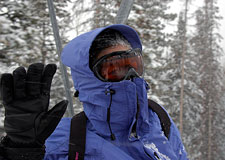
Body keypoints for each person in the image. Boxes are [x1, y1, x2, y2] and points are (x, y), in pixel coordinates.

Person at [0, 24, 188, 160]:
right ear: (89, 79)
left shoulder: (158, 119)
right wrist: (21, 149)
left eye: (133, 64)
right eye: (114, 68)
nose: (130, 76)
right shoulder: (62, 138)